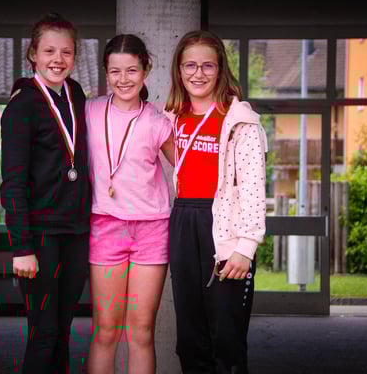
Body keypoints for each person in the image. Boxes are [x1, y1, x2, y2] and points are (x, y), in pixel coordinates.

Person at [164, 30, 268, 374]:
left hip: (224, 228)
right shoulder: (170, 118)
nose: (198, 73)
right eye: (190, 65)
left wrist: (245, 247)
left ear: (220, 69)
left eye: (207, 66)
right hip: (183, 221)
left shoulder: (241, 121)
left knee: (226, 340)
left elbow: (253, 187)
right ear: (179, 70)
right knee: (190, 339)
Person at [0, 12, 91, 374]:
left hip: (76, 232)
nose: (58, 59)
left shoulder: (76, 94)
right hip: (40, 236)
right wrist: (22, 247)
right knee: (44, 333)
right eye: (49, 51)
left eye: (66, 52)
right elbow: (13, 182)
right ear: (33, 54)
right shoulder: (21, 105)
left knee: (63, 332)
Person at [85, 34, 175, 374]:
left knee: (141, 331)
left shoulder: (158, 121)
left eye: (132, 70)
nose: (123, 79)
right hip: (105, 226)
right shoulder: (89, 110)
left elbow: (188, 167)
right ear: (106, 73)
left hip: (152, 229)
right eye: (115, 71)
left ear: (146, 70)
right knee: (106, 330)